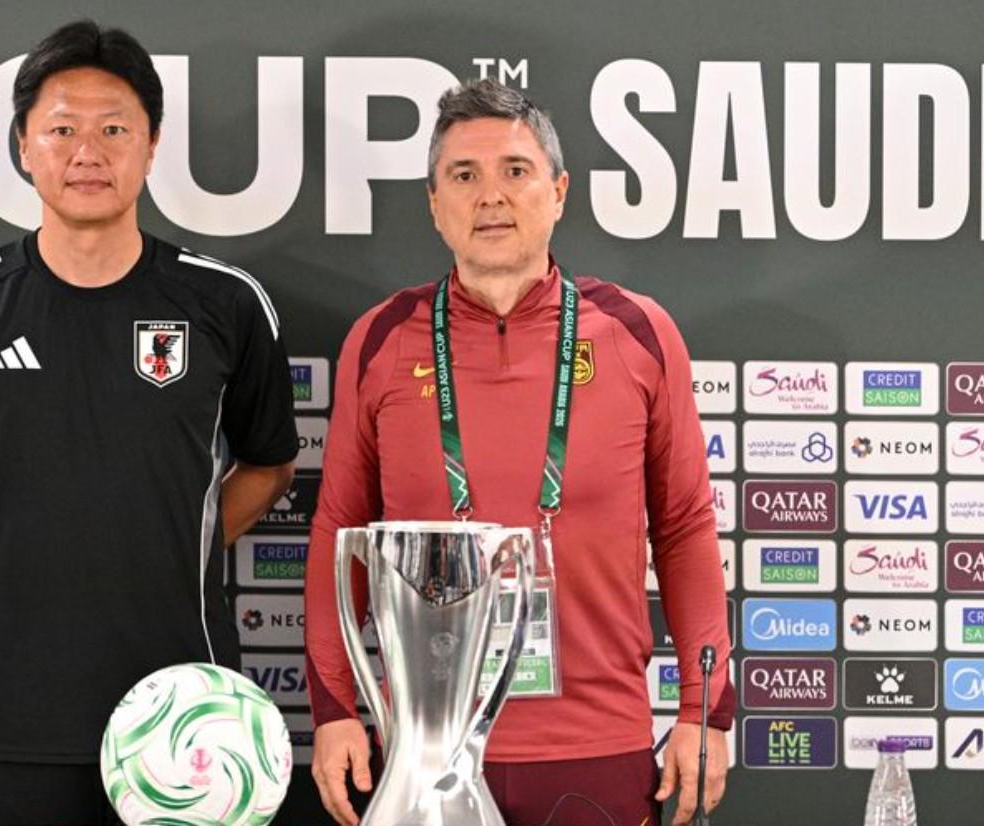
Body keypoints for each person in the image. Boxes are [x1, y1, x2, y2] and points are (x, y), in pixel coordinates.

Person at [0, 20, 299, 825]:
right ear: (23, 146)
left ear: (152, 146)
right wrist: (12, 554)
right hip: (8, 717)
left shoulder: (225, 304)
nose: (87, 153)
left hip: (186, 722)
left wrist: (173, 547)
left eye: (114, 130)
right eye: (62, 130)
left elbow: (270, 466)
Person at [302, 78, 733, 826]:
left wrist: (704, 709)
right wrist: (335, 707)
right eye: (463, 175)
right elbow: (339, 532)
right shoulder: (381, 340)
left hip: (597, 746)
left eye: (515, 170)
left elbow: (685, 525)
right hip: (425, 753)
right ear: (435, 204)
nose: (491, 196)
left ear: (559, 192)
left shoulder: (637, 333)